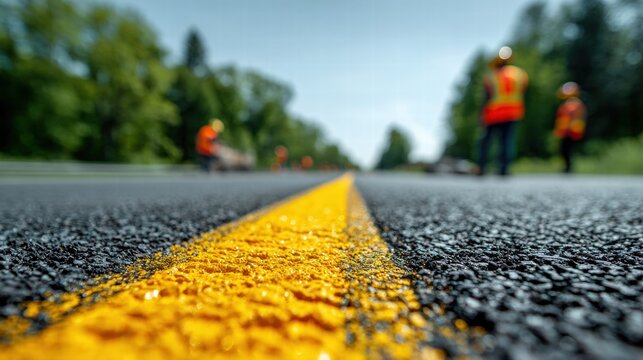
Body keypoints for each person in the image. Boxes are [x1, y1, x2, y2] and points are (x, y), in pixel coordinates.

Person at [478, 46, 529, 176]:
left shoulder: (491, 76)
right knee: (506, 141)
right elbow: (523, 92)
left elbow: (487, 96)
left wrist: (481, 114)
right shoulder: (520, 74)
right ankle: (504, 169)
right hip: (512, 112)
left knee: (486, 141)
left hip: (494, 113)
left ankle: (482, 167)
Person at [554, 82, 586, 173]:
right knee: (564, 150)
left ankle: (569, 167)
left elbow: (574, 116)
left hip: (571, 131)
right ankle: (567, 167)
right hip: (566, 131)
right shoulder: (569, 103)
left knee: (567, 150)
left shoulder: (573, 103)